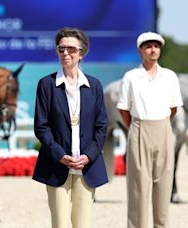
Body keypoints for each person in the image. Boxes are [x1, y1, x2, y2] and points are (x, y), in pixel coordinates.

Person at [33, 27, 108, 228]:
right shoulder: (46, 85)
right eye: (61, 49)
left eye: (71, 49)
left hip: (87, 167)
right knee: (60, 224)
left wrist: (89, 155)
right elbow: (42, 127)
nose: (65, 53)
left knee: (82, 224)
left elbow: (101, 127)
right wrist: (60, 155)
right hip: (57, 166)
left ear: (81, 54)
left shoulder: (95, 86)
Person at [117, 32, 183, 228]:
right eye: (148, 46)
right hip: (139, 129)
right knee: (138, 189)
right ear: (140, 50)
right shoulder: (131, 77)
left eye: (156, 46)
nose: (153, 49)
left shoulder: (170, 76)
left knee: (163, 187)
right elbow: (123, 109)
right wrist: (138, 128)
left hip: (163, 129)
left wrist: (160, 124)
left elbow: (173, 108)